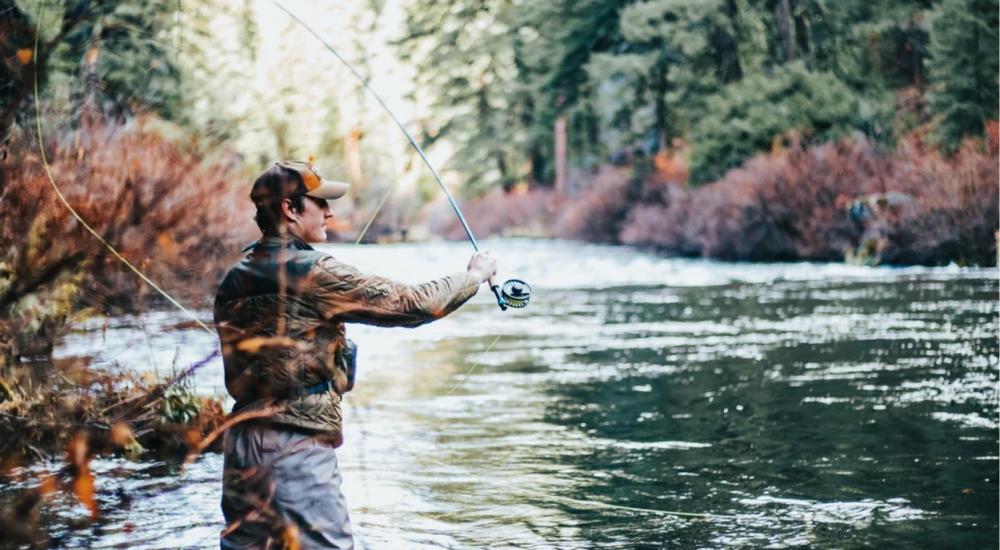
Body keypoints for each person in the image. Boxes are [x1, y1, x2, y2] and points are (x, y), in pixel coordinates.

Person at [214, 160, 496, 549]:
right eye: (319, 203)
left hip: (241, 448)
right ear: (289, 209)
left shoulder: (234, 277)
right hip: (295, 448)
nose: (329, 212)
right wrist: (473, 277)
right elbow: (413, 305)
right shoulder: (313, 271)